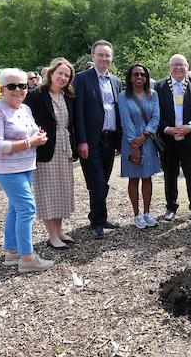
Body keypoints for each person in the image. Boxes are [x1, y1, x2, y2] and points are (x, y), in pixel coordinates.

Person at [0, 68, 53, 273]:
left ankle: (12, 251)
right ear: (2, 88)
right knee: (27, 208)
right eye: (12, 86)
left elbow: (29, 134)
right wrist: (30, 141)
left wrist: (38, 136)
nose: (18, 90)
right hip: (7, 169)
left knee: (15, 208)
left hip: (26, 165)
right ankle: (27, 258)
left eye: (22, 85)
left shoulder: (25, 109)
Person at [25, 57, 77, 250]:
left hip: (65, 148)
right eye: (60, 73)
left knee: (62, 190)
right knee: (48, 191)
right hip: (46, 148)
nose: (63, 77)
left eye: (67, 75)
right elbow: (26, 120)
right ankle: (52, 236)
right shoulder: (36, 95)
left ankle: (60, 231)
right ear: (51, 73)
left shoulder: (69, 95)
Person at [73, 40, 122, 240]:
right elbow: (78, 113)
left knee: (104, 180)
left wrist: (119, 141)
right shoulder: (81, 79)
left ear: (111, 58)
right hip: (90, 140)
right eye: (100, 55)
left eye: (107, 55)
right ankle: (96, 222)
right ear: (92, 56)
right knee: (98, 183)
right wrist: (81, 141)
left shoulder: (116, 81)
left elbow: (117, 111)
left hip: (110, 139)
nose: (104, 58)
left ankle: (99, 215)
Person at [155, 54, 191, 221]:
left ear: (187, 66)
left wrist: (190, 126)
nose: (178, 68)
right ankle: (171, 207)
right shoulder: (159, 86)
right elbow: (156, 111)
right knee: (170, 174)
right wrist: (166, 128)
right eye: (175, 65)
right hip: (168, 139)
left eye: (181, 65)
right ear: (169, 68)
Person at [118, 64, 162, 229]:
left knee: (147, 177)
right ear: (130, 77)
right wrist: (134, 144)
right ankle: (136, 214)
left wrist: (145, 136)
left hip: (148, 140)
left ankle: (147, 212)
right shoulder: (123, 96)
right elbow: (125, 120)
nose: (139, 78)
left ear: (146, 77)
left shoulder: (153, 95)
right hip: (131, 142)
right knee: (134, 177)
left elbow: (156, 117)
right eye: (135, 74)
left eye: (142, 75)